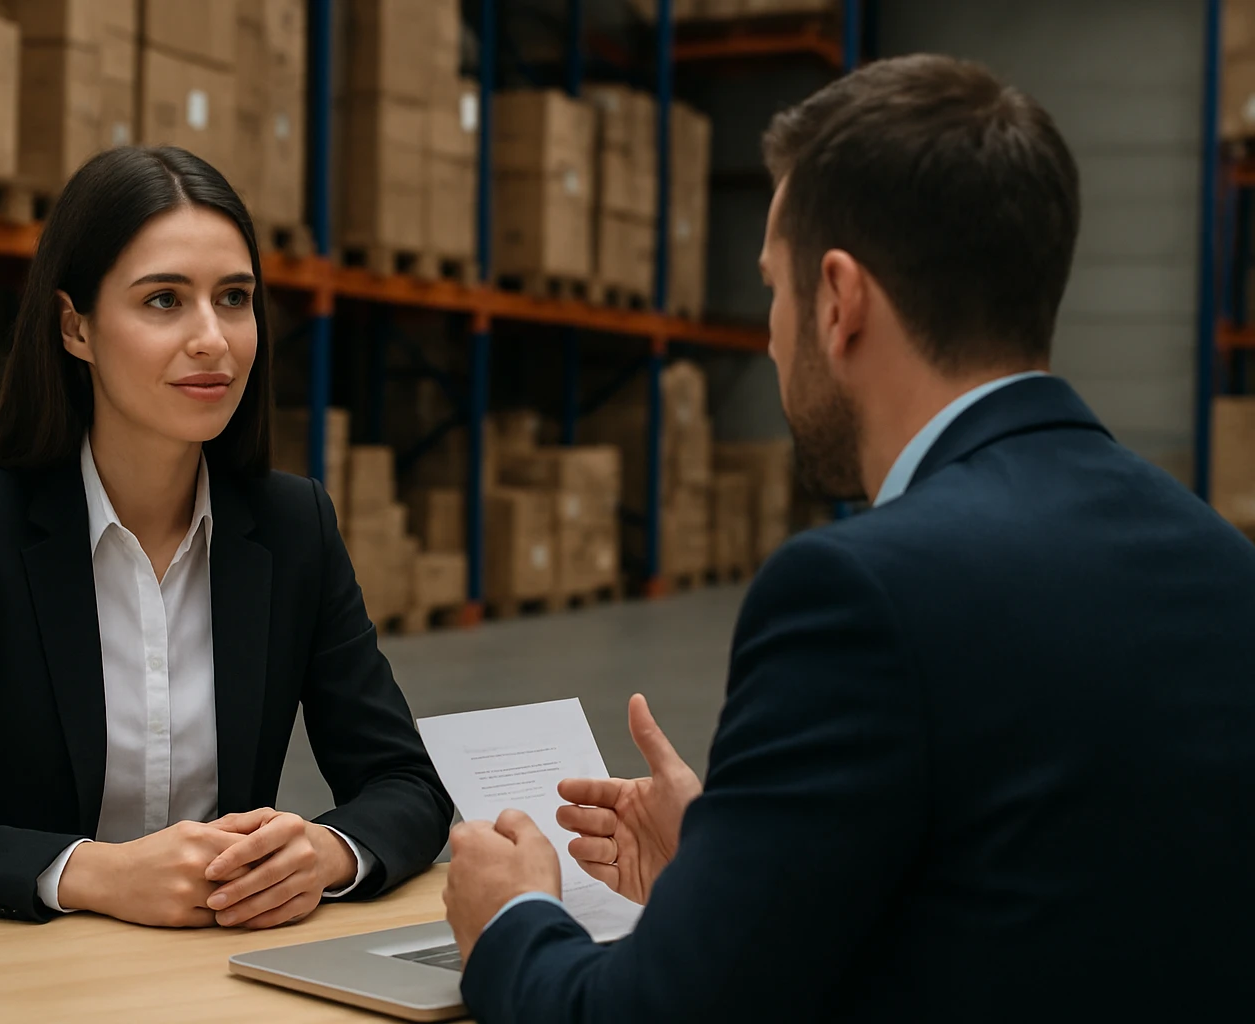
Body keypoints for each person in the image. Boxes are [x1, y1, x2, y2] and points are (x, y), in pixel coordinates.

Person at [442, 54, 1255, 1021]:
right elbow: (1029, 903)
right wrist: (727, 866)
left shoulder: (858, 593)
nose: (773, 338)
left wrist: (512, 920)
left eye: (774, 291)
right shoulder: (1219, 560)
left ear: (838, 300)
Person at [0, 146, 452, 928]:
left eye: (235, 297)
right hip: (23, 972)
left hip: (217, 972)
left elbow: (408, 785)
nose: (212, 337)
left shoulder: (292, 528)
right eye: (164, 301)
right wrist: (89, 874)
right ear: (75, 328)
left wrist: (327, 851)